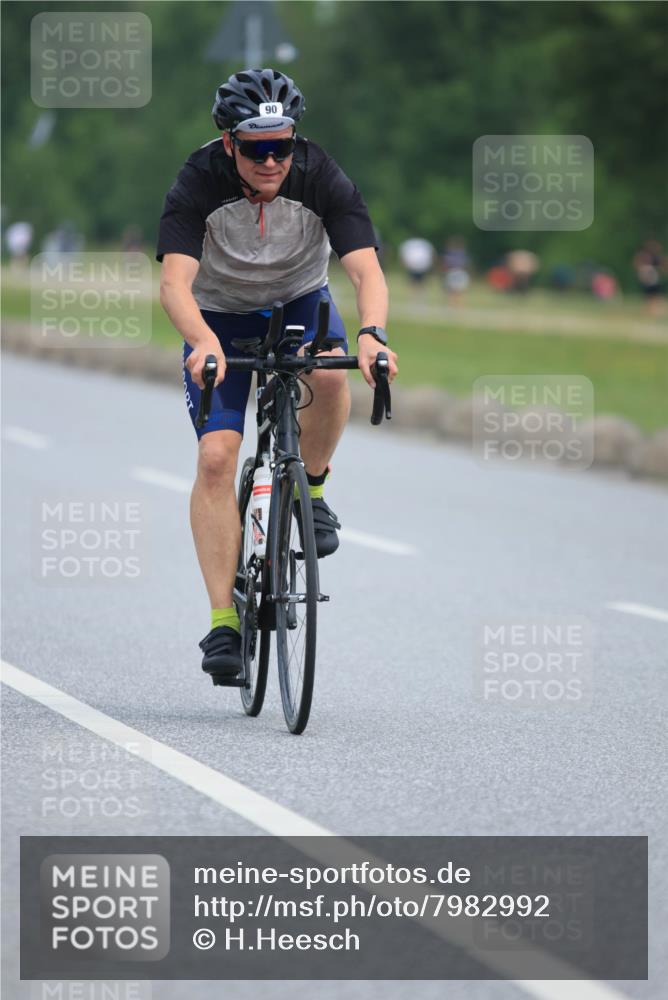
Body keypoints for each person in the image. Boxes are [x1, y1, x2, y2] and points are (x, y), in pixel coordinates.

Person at [157, 68, 398, 684]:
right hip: (219, 313)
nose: (272, 160)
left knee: (334, 374)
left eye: (282, 145)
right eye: (257, 147)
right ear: (228, 143)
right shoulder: (197, 180)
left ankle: (312, 494)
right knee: (217, 456)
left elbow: (367, 272)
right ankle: (223, 623)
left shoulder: (320, 174)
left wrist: (372, 334)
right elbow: (174, 283)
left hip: (298, 299)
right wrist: (203, 341)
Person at [633, 239, 667, 316]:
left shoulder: (657, 257)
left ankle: (656, 310)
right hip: (648, 280)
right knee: (649, 296)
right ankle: (651, 310)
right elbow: (637, 264)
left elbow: (663, 264)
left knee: (655, 295)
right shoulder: (644, 255)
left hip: (654, 280)